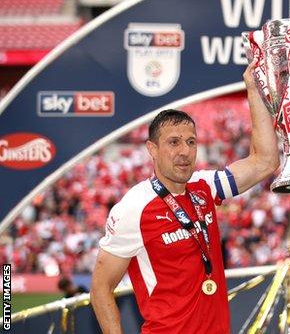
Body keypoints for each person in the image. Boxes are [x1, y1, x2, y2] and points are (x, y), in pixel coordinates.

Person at [90, 62, 279, 334]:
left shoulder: (205, 186)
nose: (185, 151)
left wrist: (254, 89)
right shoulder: (135, 207)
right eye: (174, 142)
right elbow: (100, 287)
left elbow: (265, 161)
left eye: (191, 142)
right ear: (152, 149)